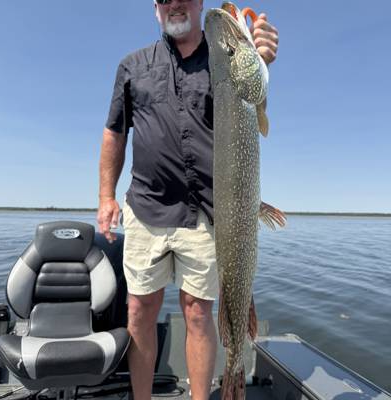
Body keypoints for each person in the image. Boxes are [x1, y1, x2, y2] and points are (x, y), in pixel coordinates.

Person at [97, 1, 279, 399]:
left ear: (199, 3)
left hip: (207, 213)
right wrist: (106, 196)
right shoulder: (132, 66)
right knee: (138, 311)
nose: (175, 4)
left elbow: (253, 100)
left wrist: (261, 60)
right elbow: (115, 133)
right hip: (146, 207)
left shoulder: (222, 61)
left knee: (198, 313)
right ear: (156, 8)